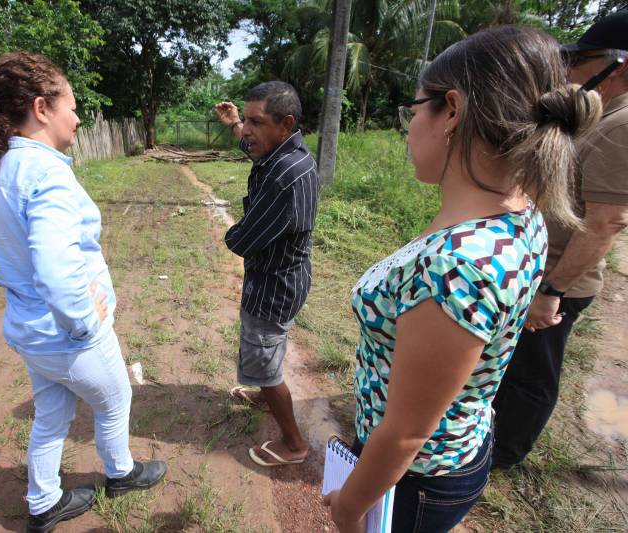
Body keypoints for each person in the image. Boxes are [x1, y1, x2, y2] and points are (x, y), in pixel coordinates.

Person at [321, 26, 602, 533]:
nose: (408, 128)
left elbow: (406, 434)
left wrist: (348, 507)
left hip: (414, 477)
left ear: (451, 110)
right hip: (459, 443)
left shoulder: (459, 267)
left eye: (413, 109)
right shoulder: (520, 212)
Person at [0, 52, 166, 533]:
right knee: (115, 400)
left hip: (28, 330)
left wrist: (7, 257)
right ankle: (122, 475)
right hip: (67, 332)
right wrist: (86, 322)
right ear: (42, 108)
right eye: (73, 105)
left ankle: (44, 502)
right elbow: (56, 269)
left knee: (51, 414)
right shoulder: (47, 174)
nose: (79, 116)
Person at [492, 10, 628, 470]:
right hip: (538, 269)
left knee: (531, 373)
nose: (570, 72)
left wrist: (552, 292)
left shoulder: (622, 127)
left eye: (581, 60)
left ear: (621, 64)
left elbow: (607, 222)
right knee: (509, 363)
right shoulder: (602, 118)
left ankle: (502, 454)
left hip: (556, 282)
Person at [213, 81, 320, 466]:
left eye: (255, 123)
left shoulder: (284, 176)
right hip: (287, 277)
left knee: (264, 359)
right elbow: (254, 150)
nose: (246, 132)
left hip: (272, 286)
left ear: (285, 123)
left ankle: (295, 444)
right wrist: (235, 123)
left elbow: (243, 241)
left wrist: (229, 231)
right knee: (268, 349)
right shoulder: (283, 154)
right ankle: (263, 391)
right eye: (246, 121)